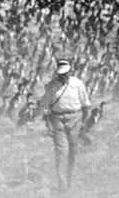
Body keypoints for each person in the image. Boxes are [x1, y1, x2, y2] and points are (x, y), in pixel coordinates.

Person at [39, 57, 91, 190]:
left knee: (73, 151)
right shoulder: (51, 85)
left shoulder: (77, 84)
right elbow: (45, 106)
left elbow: (86, 104)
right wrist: (48, 123)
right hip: (57, 119)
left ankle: (70, 180)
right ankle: (62, 184)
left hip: (75, 117)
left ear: (70, 72)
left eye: (66, 74)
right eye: (61, 74)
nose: (63, 76)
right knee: (62, 151)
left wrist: (84, 122)